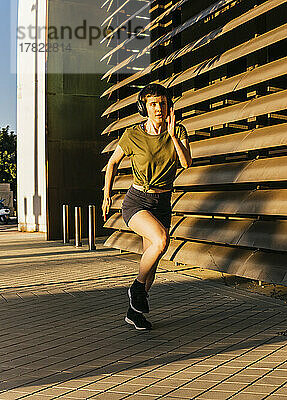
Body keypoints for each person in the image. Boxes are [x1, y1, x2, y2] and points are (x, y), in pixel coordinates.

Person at [102, 83, 192, 330]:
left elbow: (185, 163)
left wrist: (173, 136)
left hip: (162, 202)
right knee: (161, 241)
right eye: (153, 104)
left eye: (162, 103)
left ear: (169, 106)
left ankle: (134, 312)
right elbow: (112, 163)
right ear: (145, 107)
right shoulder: (132, 135)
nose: (159, 108)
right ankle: (136, 288)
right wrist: (107, 195)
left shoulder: (178, 131)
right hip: (137, 201)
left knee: (150, 262)